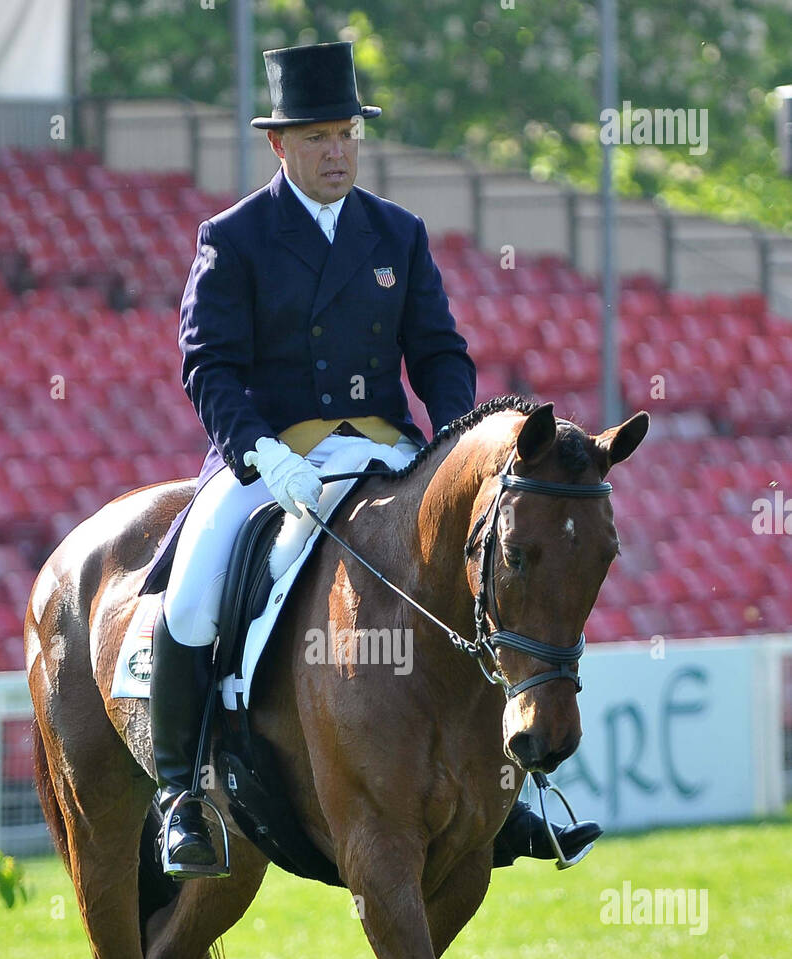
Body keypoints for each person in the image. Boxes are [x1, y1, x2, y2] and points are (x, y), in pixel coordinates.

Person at [139, 40, 600, 876]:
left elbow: (438, 351)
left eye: (348, 132)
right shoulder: (234, 237)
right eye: (318, 137)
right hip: (270, 464)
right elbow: (208, 365)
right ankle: (181, 797)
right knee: (194, 596)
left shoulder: (398, 232)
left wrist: (456, 450)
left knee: (477, 579)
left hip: (385, 453)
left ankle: (505, 801)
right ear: (281, 146)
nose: (338, 151)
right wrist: (262, 457)